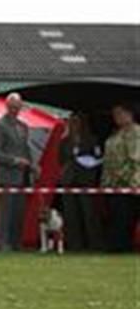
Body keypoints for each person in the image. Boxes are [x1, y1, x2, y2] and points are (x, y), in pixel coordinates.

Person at [0, 93, 38, 251]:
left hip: (22, 177)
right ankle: (2, 242)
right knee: (6, 212)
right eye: (12, 107)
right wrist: (15, 161)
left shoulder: (23, 126)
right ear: (6, 106)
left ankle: (16, 242)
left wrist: (33, 166)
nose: (15, 110)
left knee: (19, 211)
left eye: (17, 107)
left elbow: (26, 150)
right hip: (7, 176)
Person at [59, 112, 103, 251]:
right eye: (71, 122)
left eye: (77, 121)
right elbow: (60, 160)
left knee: (89, 213)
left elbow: (98, 157)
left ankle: (94, 244)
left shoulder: (92, 139)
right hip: (68, 181)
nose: (74, 124)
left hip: (86, 180)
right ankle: (74, 245)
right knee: (70, 213)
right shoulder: (64, 141)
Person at [101, 103, 140, 252]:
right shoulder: (116, 133)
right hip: (113, 184)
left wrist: (134, 183)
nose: (116, 117)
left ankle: (122, 247)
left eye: (119, 113)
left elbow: (136, 159)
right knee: (116, 217)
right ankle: (117, 247)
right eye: (114, 114)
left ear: (129, 113)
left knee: (124, 218)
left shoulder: (135, 132)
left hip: (127, 184)